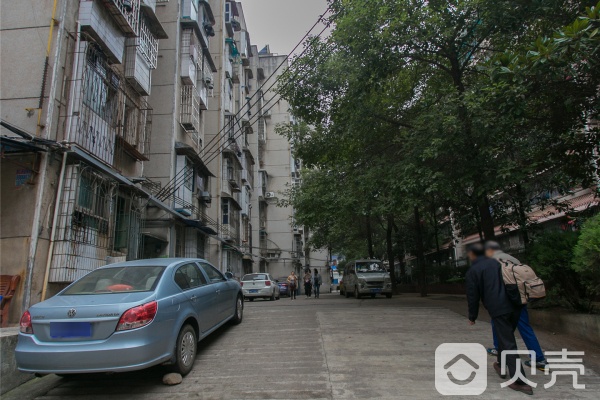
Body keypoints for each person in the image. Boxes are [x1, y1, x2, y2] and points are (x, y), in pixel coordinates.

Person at [465, 243, 533, 395]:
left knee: (508, 342)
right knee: (506, 337)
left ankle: (520, 380)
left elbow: (472, 296)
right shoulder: (500, 262)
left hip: (499, 309)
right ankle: (501, 365)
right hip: (516, 305)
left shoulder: (474, 270)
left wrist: (472, 316)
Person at [485, 241, 548, 371]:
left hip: (504, 302)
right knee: (525, 328)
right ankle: (539, 358)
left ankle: (498, 348)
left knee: (497, 324)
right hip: (520, 300)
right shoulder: (512, 259)